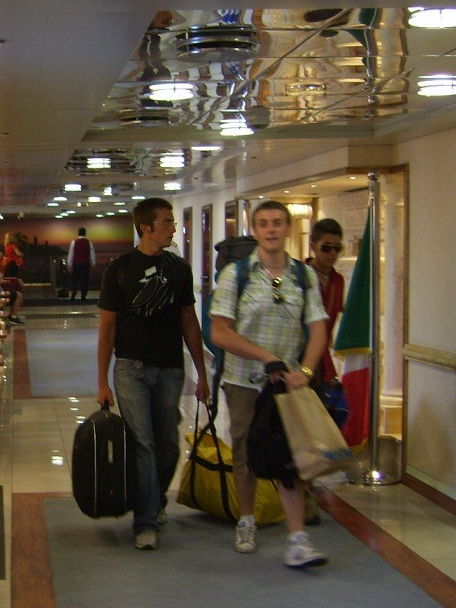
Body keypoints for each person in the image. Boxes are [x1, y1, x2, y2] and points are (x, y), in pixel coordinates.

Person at [210, 200, 329, 568]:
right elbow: (219, 332)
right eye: (263, 224)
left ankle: (297, 538)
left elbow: (318, 329)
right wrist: (265, 357)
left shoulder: (303, 276)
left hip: (287, 383)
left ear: (288, 228)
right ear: (254, 230)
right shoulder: (236, 275)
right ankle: (246, 521)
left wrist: (305, 371)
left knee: (290, 455)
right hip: (244, 380)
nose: (271, 229)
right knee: (246, 450)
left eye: (277, 222)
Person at [97, 197, 210, 552]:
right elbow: (107, 328)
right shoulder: (119, 270)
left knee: (168, 445)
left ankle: (155, 499)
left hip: (170, 368)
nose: (173, 228)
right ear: (145, 227)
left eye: (173, 222)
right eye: (167, 222)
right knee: (143, 444)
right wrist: (102, 381)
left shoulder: (179, 269)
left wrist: (202, 373)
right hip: (131, 369)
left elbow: (189, 321)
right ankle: (145, 522)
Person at [306, 218, 345, 385]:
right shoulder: (298, 276)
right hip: (301, 356)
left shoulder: (338, 281)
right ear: (313, 246)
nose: (332, 253)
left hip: (324, 361)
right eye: (326, 247)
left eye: (337, 248)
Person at [67, 227, 96, 301]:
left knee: (75, 279)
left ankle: (74, 293)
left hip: (76, 263)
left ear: (78, 233)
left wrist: (69, 264)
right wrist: (93, 263)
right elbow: (92, 254)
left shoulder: (74, 242)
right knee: (84, 280)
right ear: (85, 233)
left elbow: (71, 253)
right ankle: (83, 295)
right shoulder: (89, 242)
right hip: (85, 263)